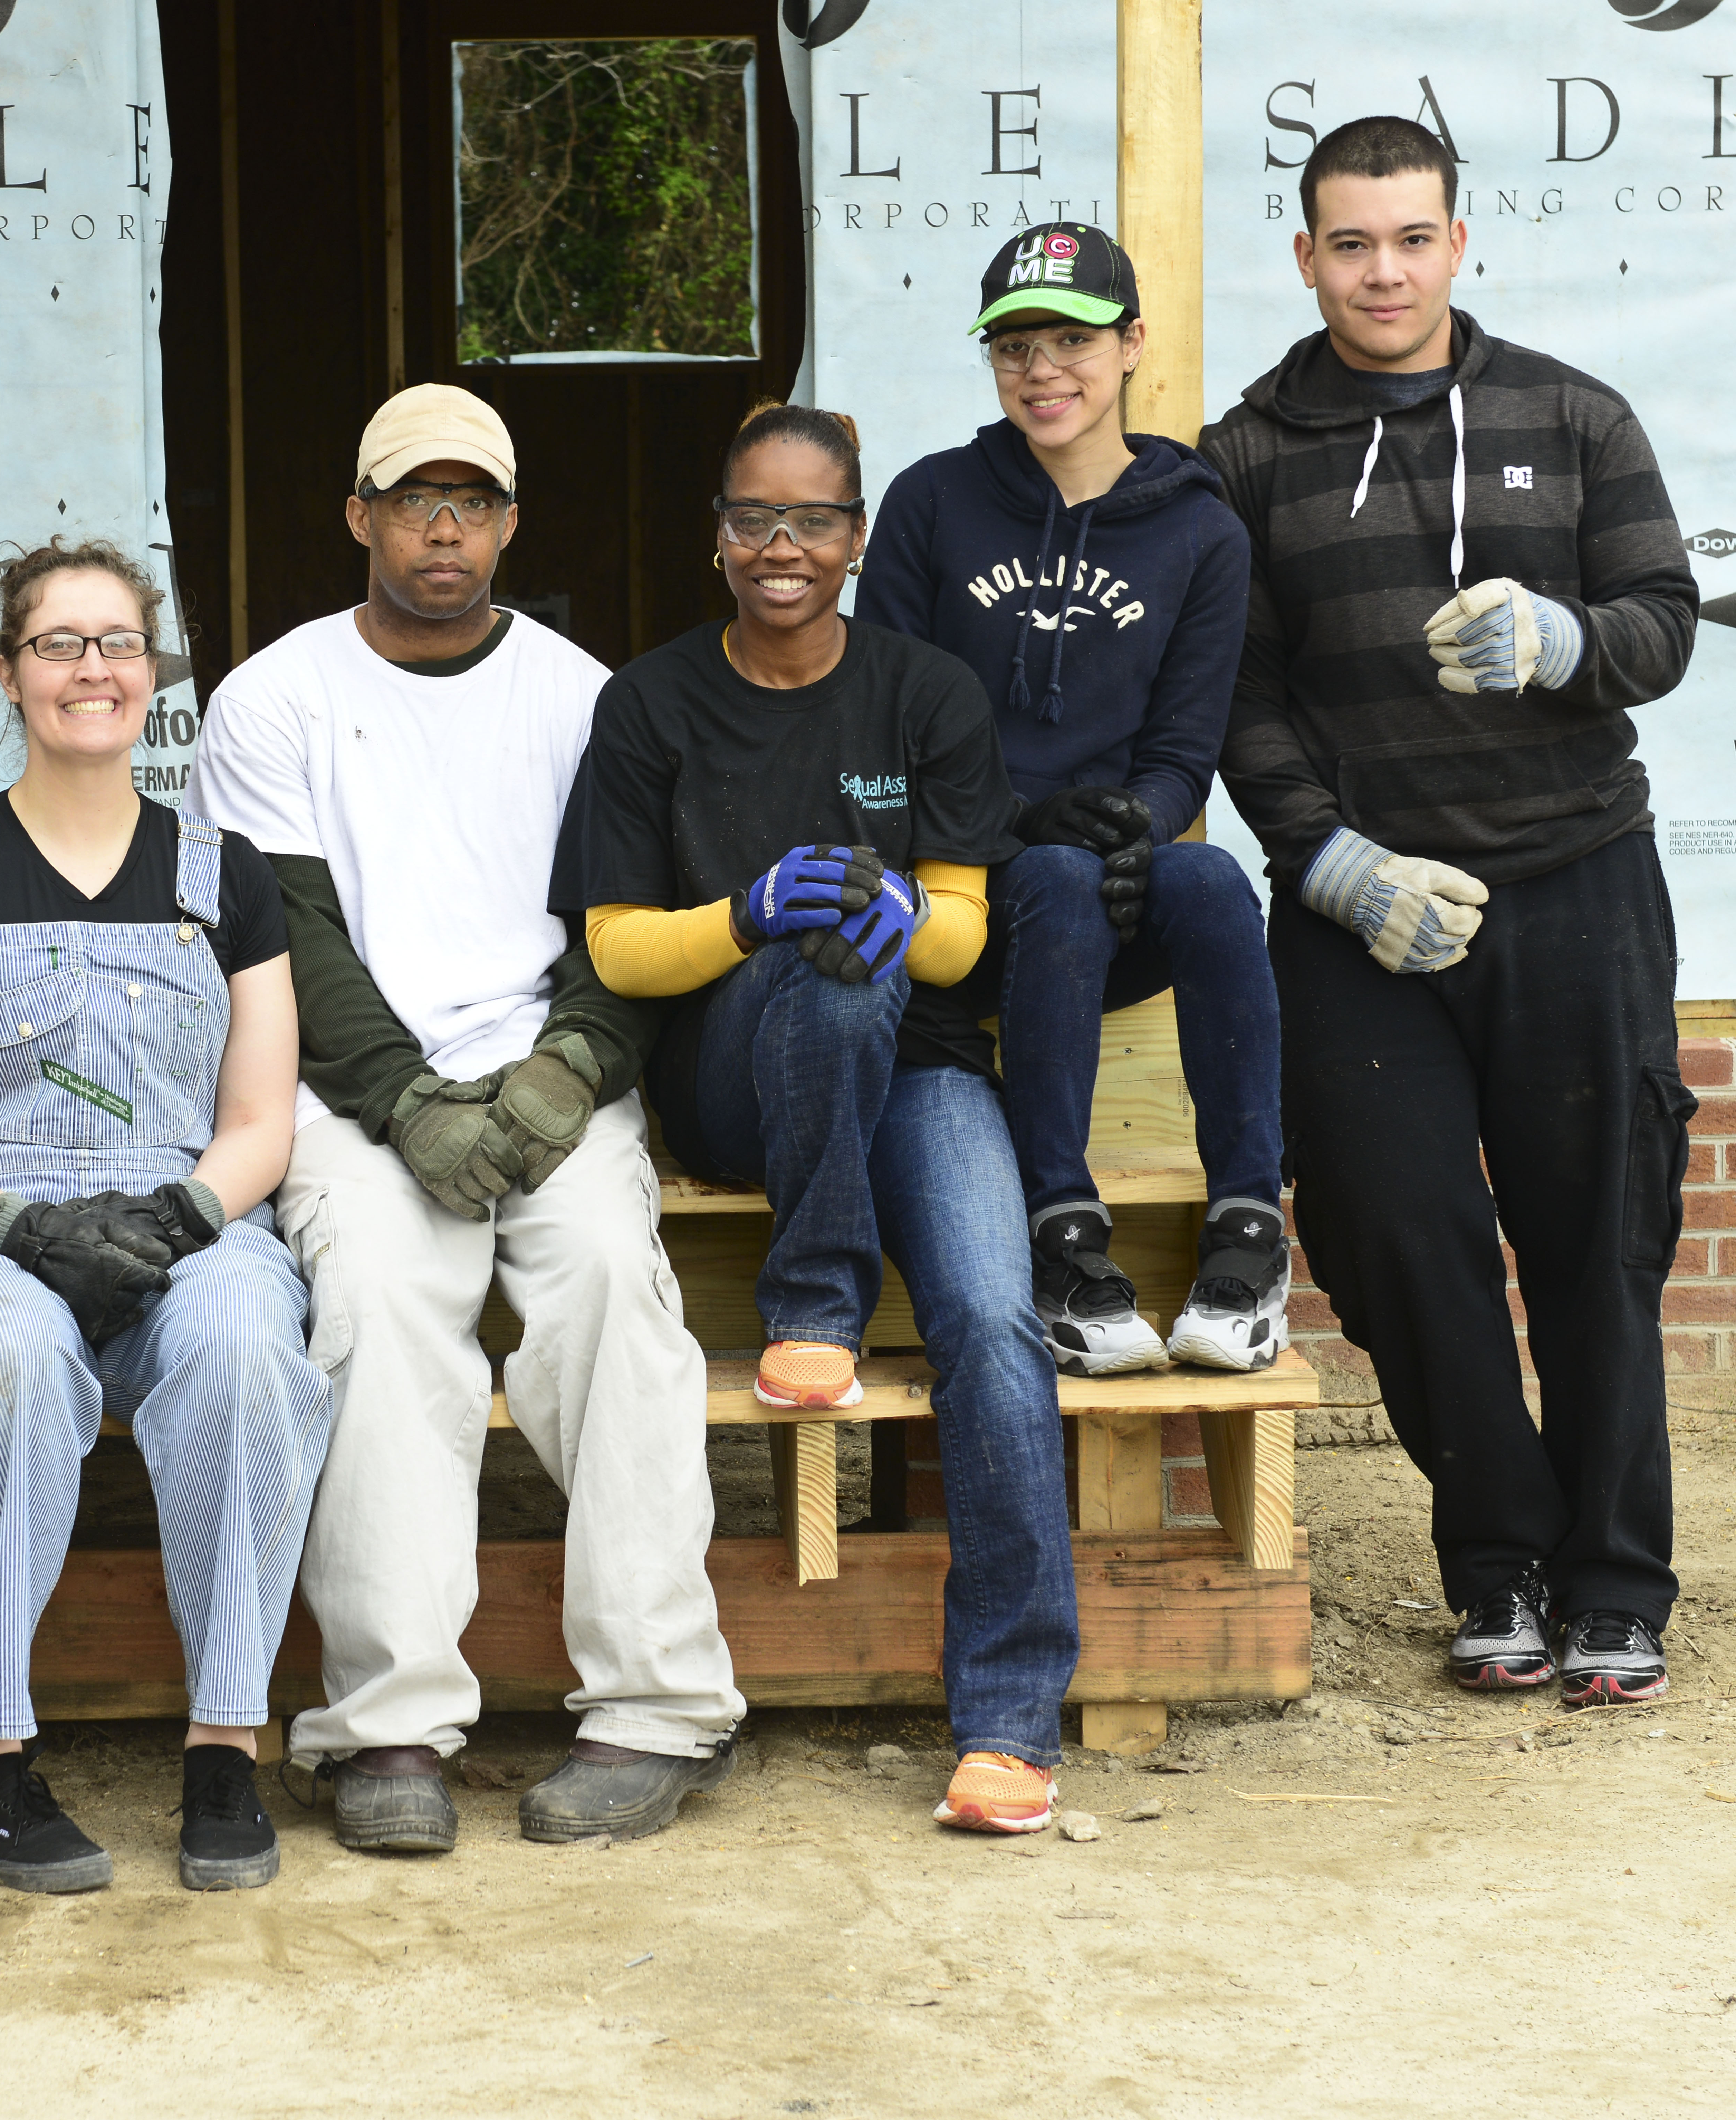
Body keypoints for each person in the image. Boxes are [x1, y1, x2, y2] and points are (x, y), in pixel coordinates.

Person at [189, 384, 741, 1856]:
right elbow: (285, 936)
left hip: (549, 1079)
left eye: (473, 500)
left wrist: (567, 1070)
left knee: (614, 1297)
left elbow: (627, 930)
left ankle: (655, 1703)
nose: (443, 526)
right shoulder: (274, 696)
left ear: (507, 520)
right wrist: (406, 1104)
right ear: (357, 516)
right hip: (353, 1092)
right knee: (375, 1301)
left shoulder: (583, 693)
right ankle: (385, 1725)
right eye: (411, 498)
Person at [1201, 117, 1698, 1704]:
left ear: (1456, 243)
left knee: (1589, 1242)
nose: (1383, 271)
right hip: (1366, 920)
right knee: (1396, 1232)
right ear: (1305, 257)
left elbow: (1663, 618)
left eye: (1410, 238)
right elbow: (1237, 697)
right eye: (1350, 244)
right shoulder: (1246, 455)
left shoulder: (1575, 411)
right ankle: (1499, 1561)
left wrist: (1564, 640)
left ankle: (1615, 1584)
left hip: (1575, 880)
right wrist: (1328, 857)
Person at [555, 403, 1077, 1835]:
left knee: (986, 1311)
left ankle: (1010, 1719)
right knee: (817, 947)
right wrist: (743, 915)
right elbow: (611, 948)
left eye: (812, 521)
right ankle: (818, 1298)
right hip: (734, 1080)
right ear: (714, 536)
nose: (781, 546)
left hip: (911, 1068)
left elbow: (967, 934)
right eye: (752, 518)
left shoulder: (926, 690)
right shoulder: (649, 702)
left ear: (854, 539)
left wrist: (911, 914)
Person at [0, 539, 327, 1895]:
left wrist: (179, 1219)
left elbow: (259, 1122)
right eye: (57, 644)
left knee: (243, 1351)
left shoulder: (226, 877)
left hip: (184, 1214)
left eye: (116, 642)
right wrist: (21, 1234)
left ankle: (224, 1744)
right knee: (12, 1357)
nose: (91, 669)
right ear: (10, 674)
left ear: (153, 673)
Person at [861, 222, 1284, 1375]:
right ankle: (1063, 1235)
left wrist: (1141, 826)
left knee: (1209, 876)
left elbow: (1183, 749)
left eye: (1071, 339)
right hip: (967, 904)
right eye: (1013, 345)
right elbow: (881, 727)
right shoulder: (933, 504)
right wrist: (1011, 824)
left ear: (1131, 342)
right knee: (1047, 874)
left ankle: (1250, 1234)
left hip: (1109, 888)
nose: (1042, 370)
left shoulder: (1200, 530)